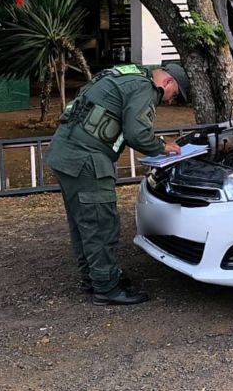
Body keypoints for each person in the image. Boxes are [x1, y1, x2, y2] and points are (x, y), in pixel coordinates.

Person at [45, 62, 190, 305]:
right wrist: (162, 147)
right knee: (101, 222)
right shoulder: (145, 88)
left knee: (83, 222)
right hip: (86, 160)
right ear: (167, 82)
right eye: (173, 96)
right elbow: (136, 133)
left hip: (64, 153)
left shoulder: (126, 74)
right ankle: (106, 287)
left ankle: (94, 278)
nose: (169, 102)